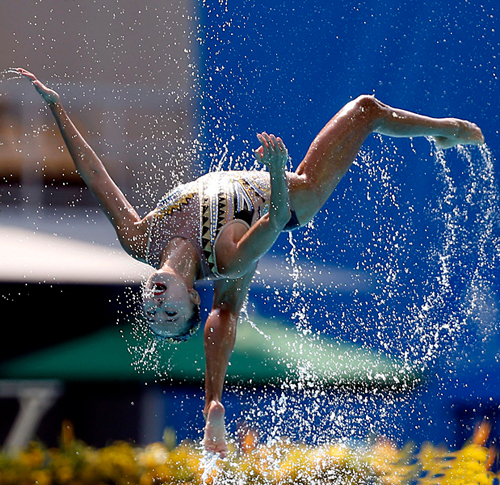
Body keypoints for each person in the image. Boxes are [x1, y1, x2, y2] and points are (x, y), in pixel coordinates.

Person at [17, 68, 484, 456]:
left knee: (229, 304)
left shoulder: (139, 241)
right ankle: (446, 129)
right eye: (171, 314)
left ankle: (211, 409)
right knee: (365, 109)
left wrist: (57, 108)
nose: (157, 304)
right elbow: (278, 217)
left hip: (249, 219)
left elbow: (94, 177)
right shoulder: (228, 256)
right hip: (291, 196)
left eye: (152, 313)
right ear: (189, 299)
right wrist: (279, 172)